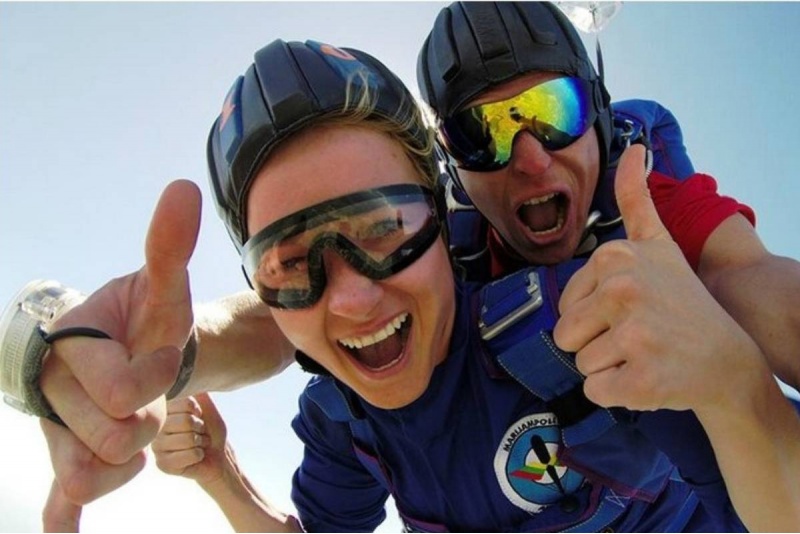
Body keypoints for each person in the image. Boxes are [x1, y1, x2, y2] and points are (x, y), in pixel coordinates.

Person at [6, 0, 798, 528]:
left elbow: (748, 289)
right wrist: (147, 365)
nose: (350, 296)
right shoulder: (341, 420)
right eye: (290, 261)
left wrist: (736, 387)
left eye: (386, 230)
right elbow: (274, 329)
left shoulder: (599, 312)